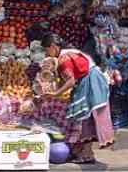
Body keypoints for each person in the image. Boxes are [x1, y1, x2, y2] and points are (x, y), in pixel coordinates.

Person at [41, 33, 114, 164]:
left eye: (46, 50)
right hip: (91, 80)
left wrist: (55, 94)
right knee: (87, 119)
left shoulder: (64, 58)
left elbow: (70, 81)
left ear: (53, 46)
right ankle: (84, 152)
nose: (46, 53)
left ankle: (86, 154)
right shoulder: (70, 52)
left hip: (90, 82)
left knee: (85, 119)